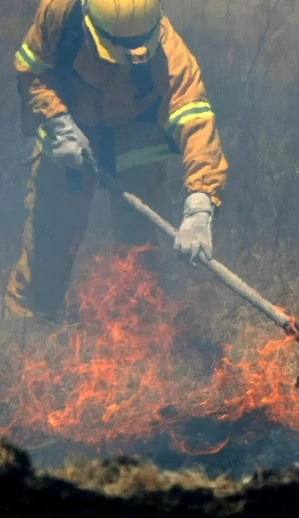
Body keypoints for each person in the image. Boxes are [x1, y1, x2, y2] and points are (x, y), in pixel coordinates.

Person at [4, 0, 229, 321]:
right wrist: (58, 121)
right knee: (49, 241)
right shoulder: (59, 14)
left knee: (141, 252)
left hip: (135, 138)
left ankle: (141, 339)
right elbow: (31, 72)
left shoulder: (169, 52)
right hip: (67, 131)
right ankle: (25, 331)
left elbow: (196, 120)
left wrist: (200, 203)